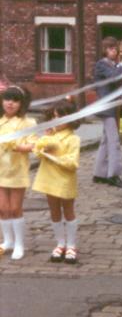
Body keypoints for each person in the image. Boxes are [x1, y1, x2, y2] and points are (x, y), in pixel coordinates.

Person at [32, 100, 81, 263]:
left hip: (65, 179)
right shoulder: (50, 136)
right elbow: (37, 152)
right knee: (54, 211)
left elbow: (72, 162)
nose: (57, 120)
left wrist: (54, 156)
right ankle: (60, 243)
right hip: (49, 178)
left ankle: (71, 244)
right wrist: (45, 141)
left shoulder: (73, 139)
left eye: (61, 117)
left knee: (68, 210)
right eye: (54, 117)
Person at [92, 36, 122, 189]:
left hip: (113, 107)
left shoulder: (113, 65)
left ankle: (99, 173)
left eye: (115, 48)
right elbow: (113, 77)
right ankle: (114, 174)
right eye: (110, 48)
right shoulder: (101, 65)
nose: (114, 51)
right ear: (104, 50)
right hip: (107, 107)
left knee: (105, 140)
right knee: (114, 141)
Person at [0, 85, 36, 260]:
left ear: (22, 104)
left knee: (15, 208)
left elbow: (32, 145)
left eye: (15, 100)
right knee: (2, 208)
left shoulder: (28, 122)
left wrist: (15, 146)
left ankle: (19, 243)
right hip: (0, 170)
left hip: (17, 170)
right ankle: (8, 241)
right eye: (7, 99)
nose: (10, 103)